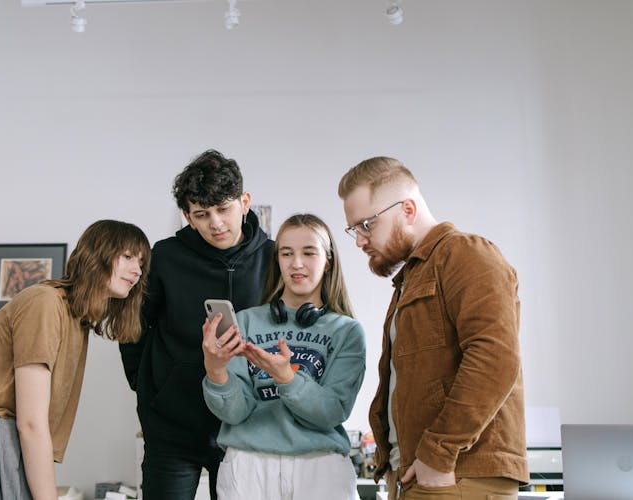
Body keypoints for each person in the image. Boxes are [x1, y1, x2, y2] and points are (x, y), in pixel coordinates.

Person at [0, 219, 151, 500]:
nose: (137, 270)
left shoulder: (76, 320)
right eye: (128, 257)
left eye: (141, 262)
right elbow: (31, 422)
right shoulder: (45, 302)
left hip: (1, 443)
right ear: (96, 255)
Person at [338, 157, 528, 499]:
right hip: (424, 476)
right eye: (355, 229)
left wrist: (437, 454)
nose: (360, 241)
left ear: (408, 209)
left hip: (456, 477)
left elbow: (495, 359)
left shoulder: (465, 256)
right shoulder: (412, 278)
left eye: (367, 224)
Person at [119, 150, 274, 500]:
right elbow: (132, 326)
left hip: (244, 428)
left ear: (244, 202)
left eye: (224, 209)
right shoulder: (164, 257)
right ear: (187, 215)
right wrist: (145, 387)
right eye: (202, 214)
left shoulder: (274, 259)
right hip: (172, 429)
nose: (215, 223)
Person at [202, 213, 366, 500]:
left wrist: (286, 377)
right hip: (248, 466)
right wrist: (216, 371)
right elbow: (234, 413)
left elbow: (332, 411)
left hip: (320, 467)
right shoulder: (246, 322)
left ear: (328, 260)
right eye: (287, 253)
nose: (297, 263)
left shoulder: (347, 331)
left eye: (309, 253)